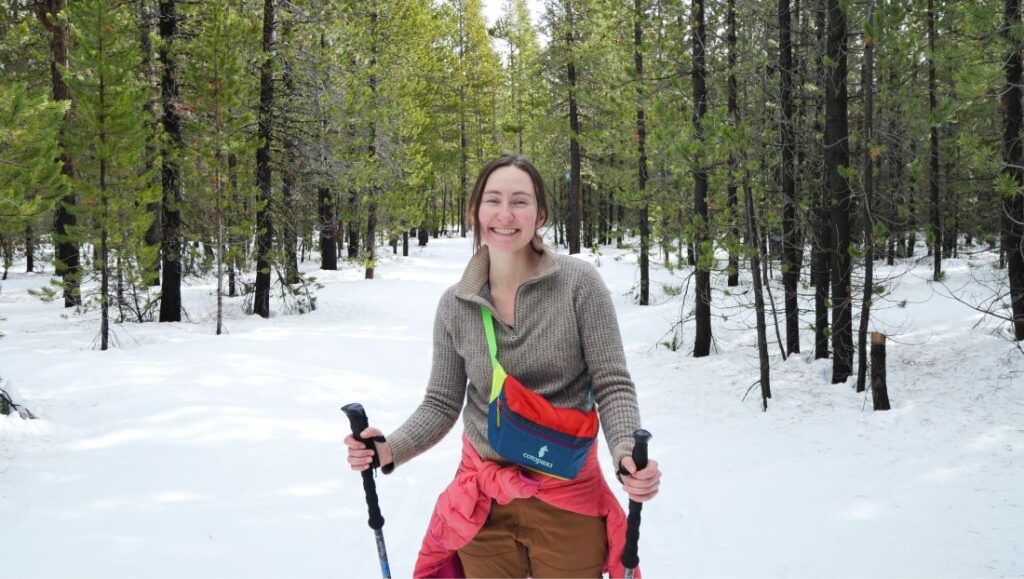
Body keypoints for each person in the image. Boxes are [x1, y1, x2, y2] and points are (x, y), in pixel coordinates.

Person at [345, 154, 661, 578]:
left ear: (540, 214)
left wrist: (625, 454)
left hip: (566, 495)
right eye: (493, 201)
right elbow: (441, 403)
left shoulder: (578, 284)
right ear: (474, 212)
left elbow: (612, 384)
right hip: (483, 503)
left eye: (520, 201)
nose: (505, 214)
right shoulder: (455, 305)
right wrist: (389, 448)